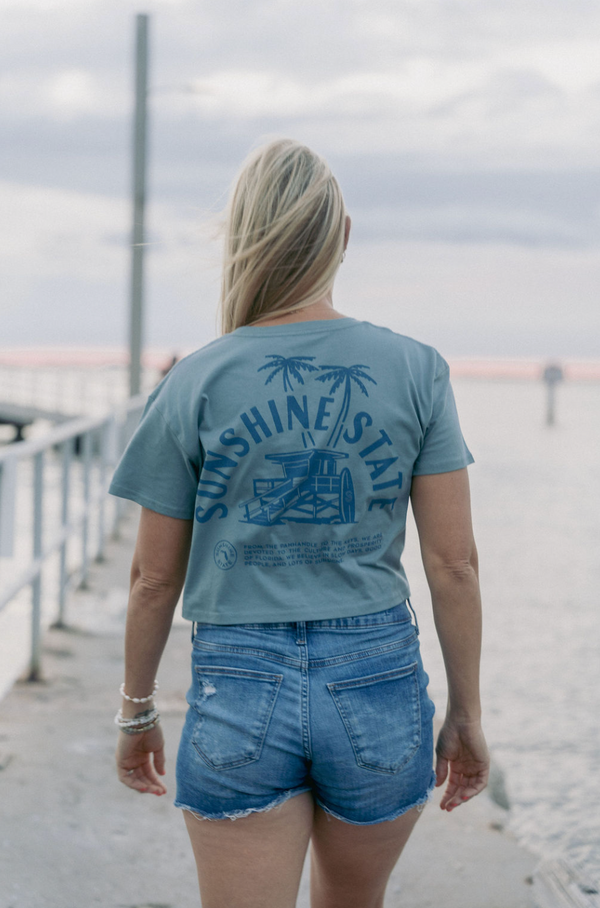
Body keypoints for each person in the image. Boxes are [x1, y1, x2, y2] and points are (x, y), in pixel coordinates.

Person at [109, 137, 489, 908]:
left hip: (238, 684)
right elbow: (454, 566)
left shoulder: (196, 380)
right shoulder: (417, 368)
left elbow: (153, 577)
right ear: (341, 234)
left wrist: (137, 710)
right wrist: (466, 713)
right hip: (378, 676)